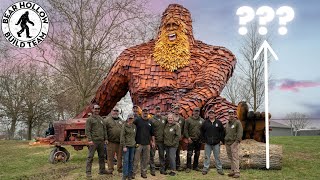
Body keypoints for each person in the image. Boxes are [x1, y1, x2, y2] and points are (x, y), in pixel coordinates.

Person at [76, 4, 237, 127]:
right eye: (168, 25)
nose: (171, 29)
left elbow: (206, 88)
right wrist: (74, 126)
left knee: (217, 106)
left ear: (187, 28)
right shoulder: (131, 57)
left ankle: (238, 134)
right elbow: (102, 100)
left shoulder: (215, 55)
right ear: (161, 28)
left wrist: (175, 115)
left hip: (194, 125)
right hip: (147, 124)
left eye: (177, 25)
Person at [85, 104, 108, 177]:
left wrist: (106, 139)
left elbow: (104, 130)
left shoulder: (101, 119)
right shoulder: (90, 119)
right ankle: (88, 172)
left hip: (101, 141)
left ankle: (102, 170)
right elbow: (87, 130)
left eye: (98, 109)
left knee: (102, 156)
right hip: (93, 141)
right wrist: (90, 140)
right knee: (90, 157)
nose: (97, 110)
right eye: (95, 109)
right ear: (92, 110)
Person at [133, 107, 155, 179]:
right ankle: (133, 173)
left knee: (145, 160)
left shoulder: (150, 122)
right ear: (142, 112)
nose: (145, 113)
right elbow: (131, 128)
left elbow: (152, 134)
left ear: (148, 113)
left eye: (146, 112)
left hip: (147, 144)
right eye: (144, 111)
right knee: (136, 160)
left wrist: (153, 142)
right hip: (138, 144)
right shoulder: (137, 120)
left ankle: (144, 173)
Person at [201, 109, 225, 175]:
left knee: (217, 157)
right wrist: (204, 140)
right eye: (210, 113)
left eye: (212, 113)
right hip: (208, 143)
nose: (211, 114)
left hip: (216, 143)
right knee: (206, 156)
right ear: (208, 114)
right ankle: (205, 168)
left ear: (215, 114)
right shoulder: (205, 123)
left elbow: (222, 132)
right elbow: (202, 132)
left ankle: (219, 169)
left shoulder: (219, 122)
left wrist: (221, 140)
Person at [184, 107, 205, 173]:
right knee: (189, 153)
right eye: (195, 111)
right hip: (191, 139)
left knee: (197, 153)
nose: (196, 112)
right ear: (192, 112)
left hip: (199, 140)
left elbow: (204, 130)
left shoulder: (202, 120)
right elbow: (185, 130)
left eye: (198, 111)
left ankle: (195, 166)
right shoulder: (188, 120)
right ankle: (188, 167)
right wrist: (188, 137)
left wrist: (202, 138)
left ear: (199, 112)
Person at [105, 107, 124, 174]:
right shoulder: (107, 120)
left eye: (117, 111)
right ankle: (110, 169)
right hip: (111, 142)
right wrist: (106, 138)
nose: (115, 112)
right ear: (111, 111)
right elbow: (104, 130)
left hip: (119, 142)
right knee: (110, 156)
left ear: (118, 112)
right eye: (114, 111)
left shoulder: (121, 121)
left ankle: (120, 169)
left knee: (120, 157)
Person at [225, 109, 243, 178]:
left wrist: (237, 141)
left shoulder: (237, 122)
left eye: (232, 114)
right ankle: (232, 171)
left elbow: (240, 132)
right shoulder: (227, 123)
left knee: (235, 157)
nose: (231, 115)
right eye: (229, 114)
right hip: (227, 143)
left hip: (234, 142)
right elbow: (226, 132)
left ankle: (237, 172)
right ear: (228, 115)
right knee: (230, 157)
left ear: (234, 115)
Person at [149, 106, 167, 175]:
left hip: (162, 141)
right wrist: (151, 141)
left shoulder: (164, 119)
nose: (158, 111)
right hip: (154, 141)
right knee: (152, 155)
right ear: (154, 111)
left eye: (159, 109)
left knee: (162, 155)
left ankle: (162, 169)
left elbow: (170, 124)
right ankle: (152, 170)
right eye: (156, 110)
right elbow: (149, 131)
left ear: (161, 110)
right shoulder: (151, 119)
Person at [120, 113, 136, 180]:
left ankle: (129, 174)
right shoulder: (124, 126)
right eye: (129, 118)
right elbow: (122, 136)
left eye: (131, 118)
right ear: (127, 119)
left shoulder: (134, 126)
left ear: (133, 119)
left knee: (131, 160)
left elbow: (135, 135)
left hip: (132, 146)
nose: (130, 120)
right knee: (126, 161)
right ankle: (124, 175)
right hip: (126, 146)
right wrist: (124, 146)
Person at [172, 105, 185, 171]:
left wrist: (181, 136)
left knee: (177, 152)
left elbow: (184, 129)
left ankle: (178, 166)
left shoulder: (182, 119)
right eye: (175, 109)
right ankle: (168, 165)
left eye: (178, 109)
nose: (176, 111)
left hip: (178, 139)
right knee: (169, 152)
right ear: (173, 110)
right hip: (171, 138)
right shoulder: (170, 118)